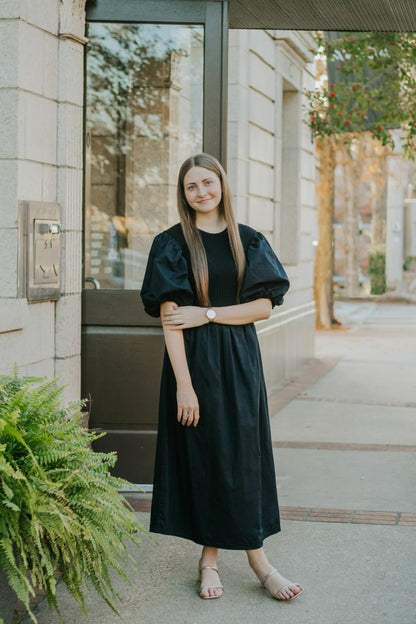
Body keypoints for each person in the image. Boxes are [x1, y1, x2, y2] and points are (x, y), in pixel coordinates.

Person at [140, 153, 303, 602]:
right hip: (192, 364)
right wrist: (184, 385)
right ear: (184, 194)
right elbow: (171, 322)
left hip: (239, 360)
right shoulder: (171, 244)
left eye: (207, 183)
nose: (201, 192)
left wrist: (208, 313)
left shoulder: (247, 241)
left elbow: (264, 306)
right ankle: (209, 561)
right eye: (192, 186)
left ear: (221, 185)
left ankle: (258, 559)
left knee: (243, 457)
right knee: (208, 456)